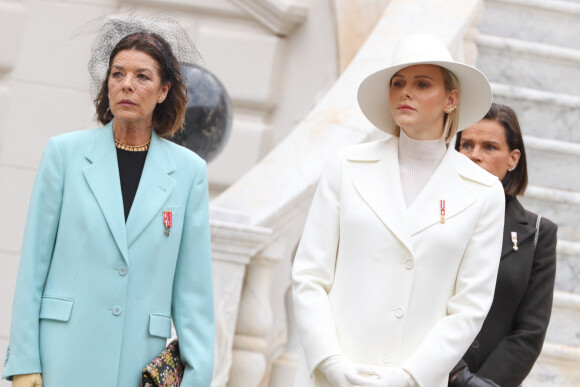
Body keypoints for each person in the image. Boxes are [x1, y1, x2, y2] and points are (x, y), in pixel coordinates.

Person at [2, 17, 214, 387]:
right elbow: (33, 267)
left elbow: (193, 293)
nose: (127, 85)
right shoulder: (64, 154)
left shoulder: (188, 172)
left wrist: (197, 378)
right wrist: (23, 361)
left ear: (163, 90)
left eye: (142, 76)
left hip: (136, 364)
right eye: (118, 74)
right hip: (59, 358)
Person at [291, 33, 506, 387]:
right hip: (330, 376)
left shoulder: (484, 191)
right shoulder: (347, 165)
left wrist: (408, 377)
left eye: (422, 84)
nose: (405, 92)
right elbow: (310, 276)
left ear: (451, 99)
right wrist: (331, 362)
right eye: (398, 83)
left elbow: (469, 307)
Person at [449, 103, 557, 387]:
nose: (475, 156)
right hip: (423, 373)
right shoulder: (433, 214)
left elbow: (530, 331)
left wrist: (480, 384)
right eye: (467, 145)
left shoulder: (538, 233)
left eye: (489, 147)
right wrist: (456, 374)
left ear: (513, 158)